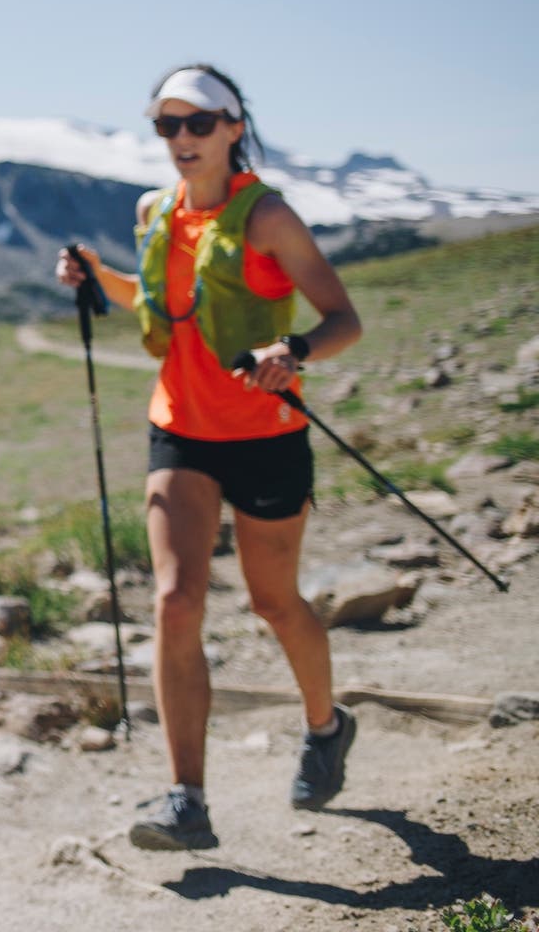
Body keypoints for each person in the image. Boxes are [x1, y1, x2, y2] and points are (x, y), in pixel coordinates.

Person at [58, 64, 364, 850]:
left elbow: (342, 319)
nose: (183, 139)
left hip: (265, 435)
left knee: (273, 603)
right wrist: (98, 279)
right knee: (174, 599)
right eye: (168, 125)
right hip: (181, 430)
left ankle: (327, 727)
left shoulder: (269, 218)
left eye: (199, 123)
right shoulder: (153, 212)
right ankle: (185, 800)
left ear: (234, 126)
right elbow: (161, 303)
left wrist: (292, 348)